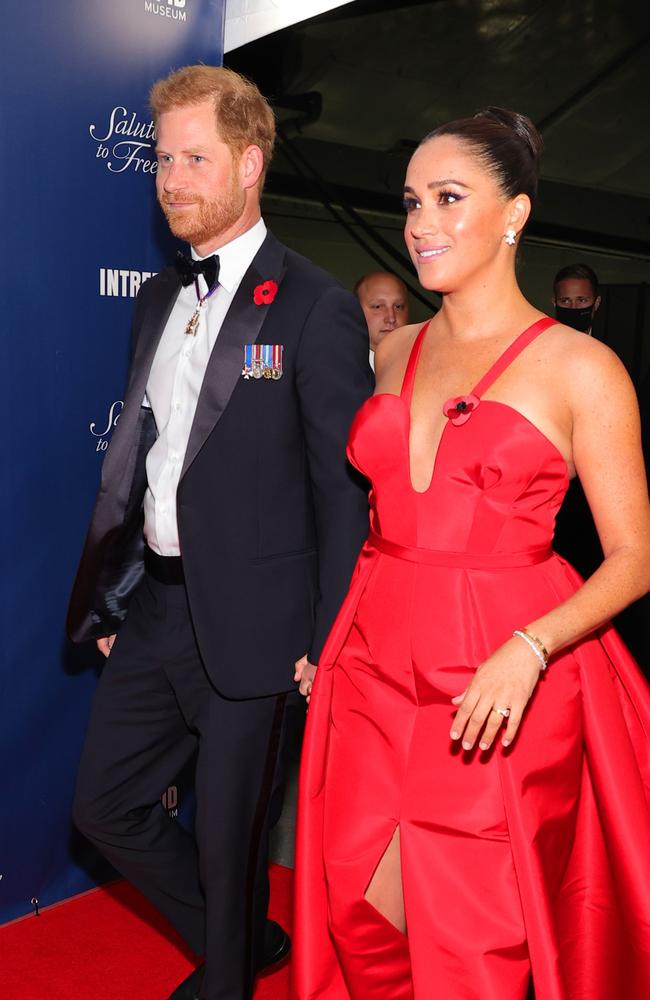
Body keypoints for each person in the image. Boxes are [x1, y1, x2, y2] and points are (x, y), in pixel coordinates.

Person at [292, 107, 650, 999]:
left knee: (471, 942)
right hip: (371, 671)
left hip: (494, 685)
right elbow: (375, 525)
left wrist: (530, 651)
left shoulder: (581, 369)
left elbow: (634, 559)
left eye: (450, 198)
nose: (421, 224)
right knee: (357, 910)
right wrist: (331, 644)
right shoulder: (395, 350)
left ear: (515, 213)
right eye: (413, 201)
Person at [68, 65, 372, 1000]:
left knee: (231, 840)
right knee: (102, 807)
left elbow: (344, 494)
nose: (171, 179)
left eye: (195, 158)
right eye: (162, 158)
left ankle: (228, 978)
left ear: (250, 163)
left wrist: (326, 640)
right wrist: (119, 593)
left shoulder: (315, 304)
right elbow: (147, 460)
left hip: (262, 630)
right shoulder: (158, 299)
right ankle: (237, 939)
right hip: (156, 611)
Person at [354, 270, 410, 368]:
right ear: (355, 311)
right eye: (378, 307)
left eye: (398, 306)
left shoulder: (426, 366)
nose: (391, 318)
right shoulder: (337, 369)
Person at [552, 262, 601, 334]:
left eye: (582, 300)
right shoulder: (541, 342)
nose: (573, 307)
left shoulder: (610, 342)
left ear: (596, 303)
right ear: (554, 303)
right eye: (565, 301)